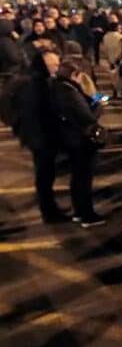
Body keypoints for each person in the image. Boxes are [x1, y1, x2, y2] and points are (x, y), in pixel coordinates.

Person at [49, 60, 106, 227]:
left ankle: (79, 212)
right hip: (80, 140)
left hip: (70, 138)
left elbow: (85, 102)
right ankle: (86, 214)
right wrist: (100, 107)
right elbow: (87, 117)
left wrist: (96, 99)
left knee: (77, 177)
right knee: (83, 178)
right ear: (74, 75)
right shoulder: (68, 91)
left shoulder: (59, 87)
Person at [18, 48, 66, 222]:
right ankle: (49, 212)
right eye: (52, 64)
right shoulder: (39, 85)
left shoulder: (37, 82)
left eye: (57, 64)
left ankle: (49, 209)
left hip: (39, 137)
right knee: (45, 176)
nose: (56, 67)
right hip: (42, 138)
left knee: (46, 175)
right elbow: (44, 112)